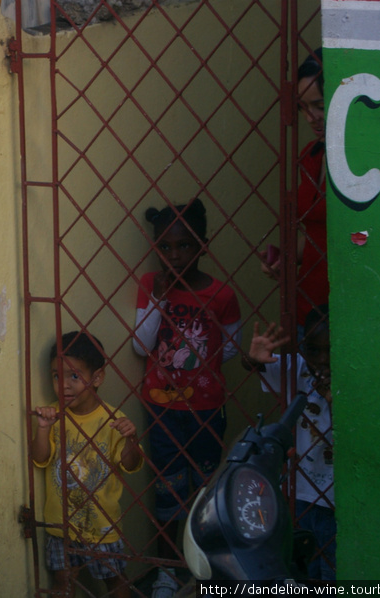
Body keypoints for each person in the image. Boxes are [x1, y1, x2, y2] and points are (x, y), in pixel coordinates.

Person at [132, 198, 241, 598]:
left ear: (203, 245)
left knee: (206, 489)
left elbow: (230, 349)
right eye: (166, 247)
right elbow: (142, 346)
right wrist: (160, 298)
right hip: (162, 408)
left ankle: (207, 569)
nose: (174, 255)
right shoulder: (149, 284)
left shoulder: (222, 294)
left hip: (207, 409)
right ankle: (166, 570)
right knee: (167, 488)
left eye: (185, 246)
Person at [32, 331, 144, 598]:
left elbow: (131, 464)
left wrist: (131, 438)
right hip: (61, 523)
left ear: (97, 377)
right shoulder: (53, 415)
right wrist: (44, 429)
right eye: (56, 376)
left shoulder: (113, 419)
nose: (64, 386)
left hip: (101, 525)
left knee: (115, 580)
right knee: (63, 581)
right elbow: (39, 459)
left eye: (74, 376)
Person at [240, 305, 335, 580]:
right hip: (301, 490)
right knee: (303, 566)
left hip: (336, 495)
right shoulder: (299, 367)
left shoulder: (352, 374)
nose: (322, 358)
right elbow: (257, 365)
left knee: (333, 572)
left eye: (330, 349)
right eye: (314, 350)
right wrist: (252, 358)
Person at [263, 48, 327, 339]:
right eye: (302, 108)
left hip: (348, 306)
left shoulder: (367, 164)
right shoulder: (310, 157)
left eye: (320, 105)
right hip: (308, 310)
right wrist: (286, 257)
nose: (311, 117)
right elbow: (317, 234)